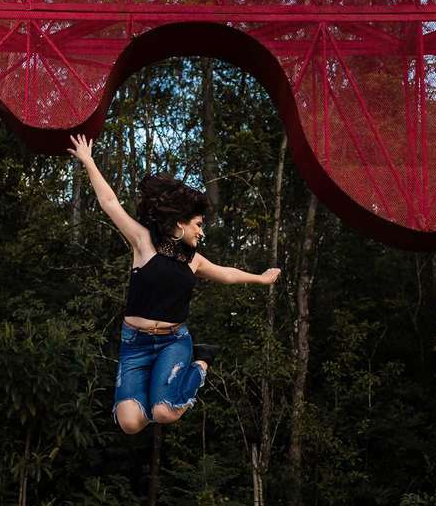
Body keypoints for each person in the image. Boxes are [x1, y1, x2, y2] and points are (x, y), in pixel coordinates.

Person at [67, 134, 282, 435]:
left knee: (165, 412)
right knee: (130, 423)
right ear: (181, 223)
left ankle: (202, 362)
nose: (202, 233)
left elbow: (227, 274)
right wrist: (88, 161)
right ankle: (158, 392)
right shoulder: (143, 242)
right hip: (135, 343)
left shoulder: (194, 260)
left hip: (173, 341)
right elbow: (110, 203)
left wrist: (261, 278)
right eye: (199, 225)